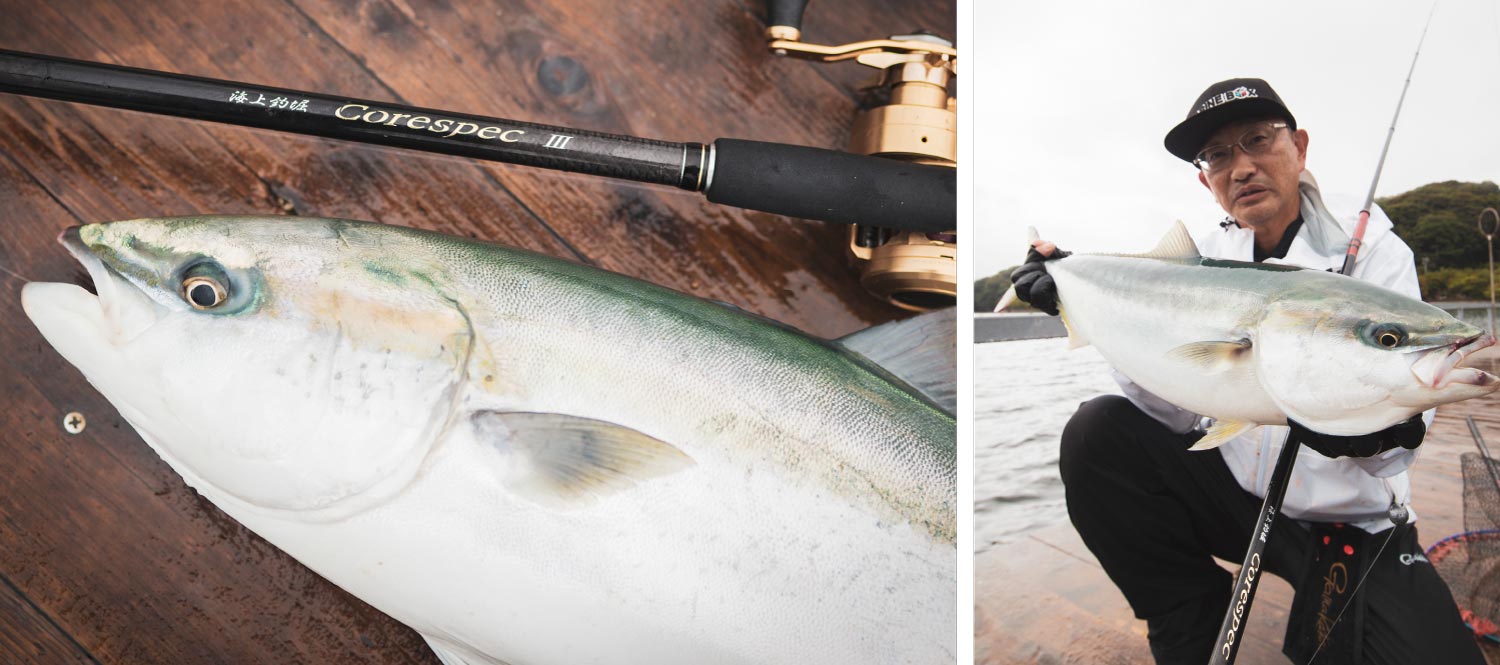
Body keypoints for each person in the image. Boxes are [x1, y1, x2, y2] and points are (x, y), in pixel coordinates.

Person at [1011, 78, 1485, 664]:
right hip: (1237, 498)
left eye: (1258, 140)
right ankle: (1184, 609)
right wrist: (1070, 296)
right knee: (1098, 432)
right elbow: (1171, 409)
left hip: (1352, 520)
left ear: (1299, 147)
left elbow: (1395, 449)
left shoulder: (1377, 255)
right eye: (1217, 155)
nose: (1241, 168)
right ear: (1204, 179)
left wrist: (1378, 432)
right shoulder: (1197, 261)